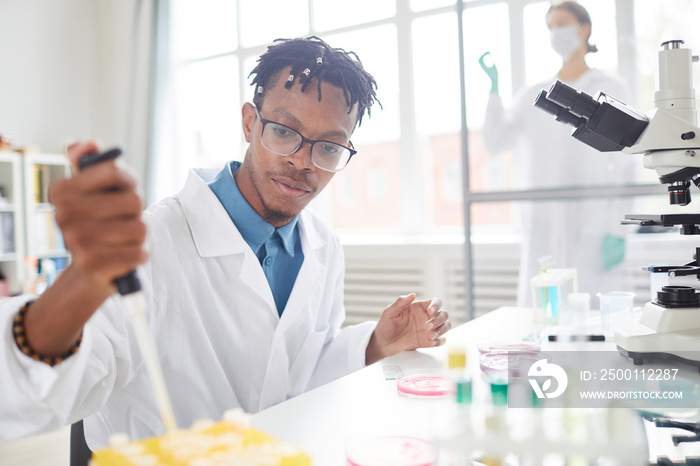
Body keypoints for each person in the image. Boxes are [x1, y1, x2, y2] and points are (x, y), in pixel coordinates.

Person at [0, 36, 451, 449]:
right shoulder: (151, 242)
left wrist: (376, 344)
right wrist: (83, 284)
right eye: (284, 131)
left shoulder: (323, 245)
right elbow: (51, 387)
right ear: (250, 123)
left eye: (329, 147)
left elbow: (298, 373)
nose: (302, 162)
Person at [479, 1, 635, 307]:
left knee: (592, 314)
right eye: (550, 28)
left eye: (561, 24)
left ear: (584, 28)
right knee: (541, 315)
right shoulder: (534, 93)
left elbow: (629, 162)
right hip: (543, 224)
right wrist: (494, 90)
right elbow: (495, 142)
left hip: (593, 223)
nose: (555, 34)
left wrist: (619, 228)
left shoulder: (611, 88)